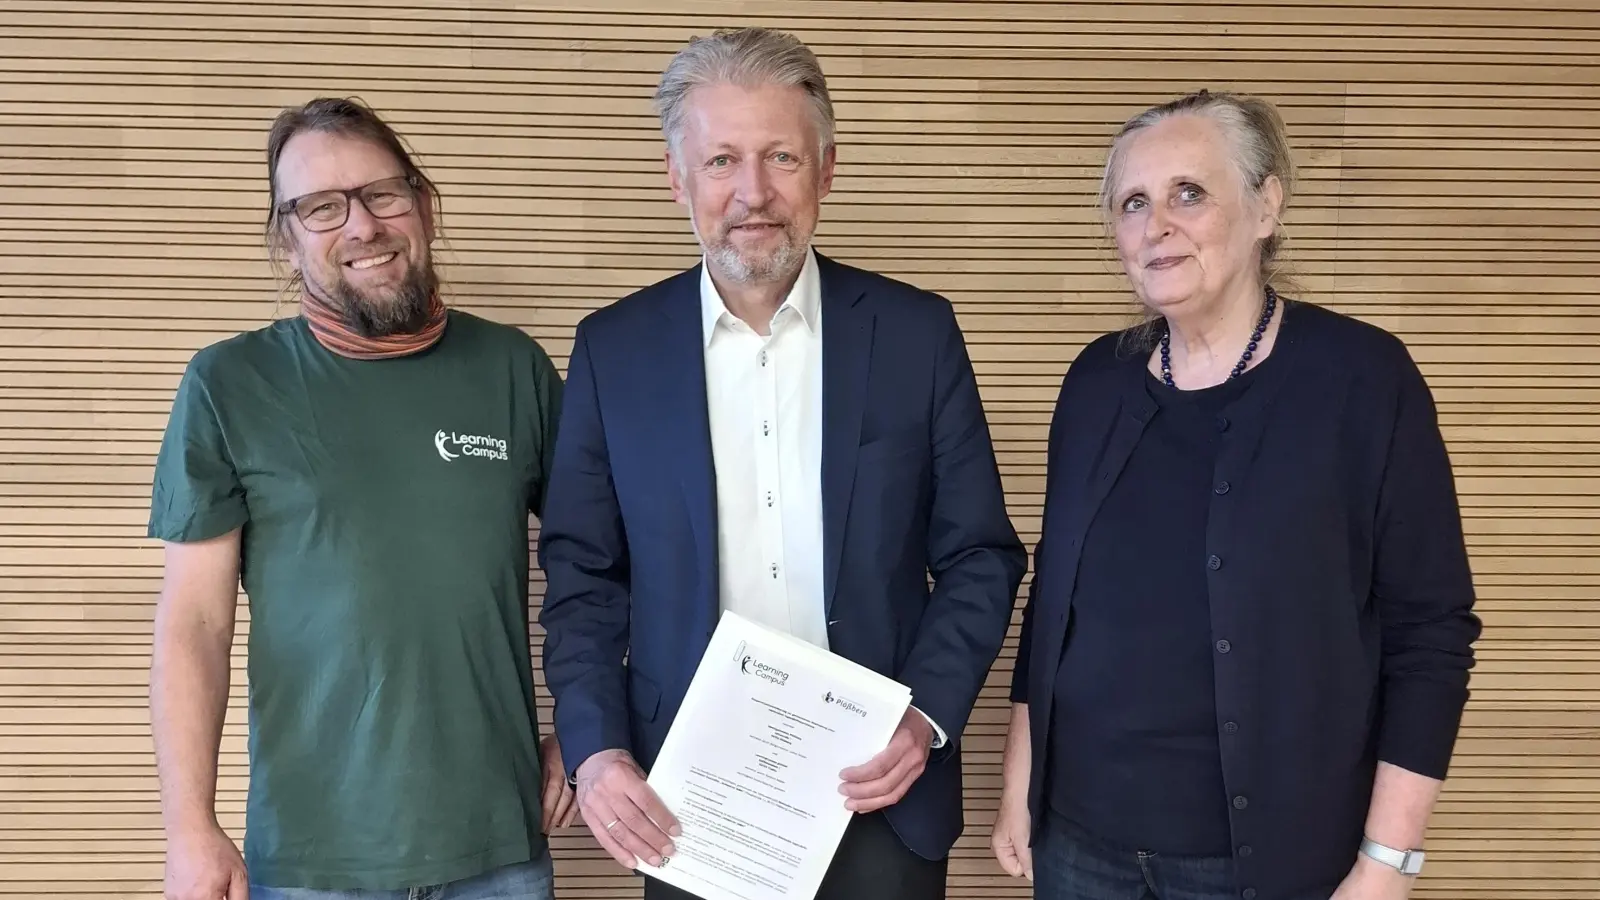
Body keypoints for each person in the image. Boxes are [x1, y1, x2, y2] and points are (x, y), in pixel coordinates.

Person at [536, 26, 1028, 900]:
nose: (753, 193)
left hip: (880, 786)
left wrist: (925, 717)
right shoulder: (614, 351)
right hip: (692, 798)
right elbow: (582, 577)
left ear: (826, 169)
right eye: (722, 160)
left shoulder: (916, 335)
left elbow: (980, 555)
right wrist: (597, 749)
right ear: (676, 176)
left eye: (781, 158)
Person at [988, 88, 1483, 900]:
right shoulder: (1094, 382)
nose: (1157, 225)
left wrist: (1388, 861)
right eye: (1134, 203)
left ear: (1265, 207)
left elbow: (1431, 631)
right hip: (1079, 843)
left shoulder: (1363, 380)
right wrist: (1020, 784)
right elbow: (1056, 605)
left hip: (1265, 859)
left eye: (1190, 193)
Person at [146, 97, 574, 900]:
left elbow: (599, 570)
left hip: (500, 850)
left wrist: (589, 732)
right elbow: (193, 623)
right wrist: (189, 830)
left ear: (425, 205)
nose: (362, 226)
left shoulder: (515, 369)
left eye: (383, 193)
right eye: (322, 207)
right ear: (287, 237)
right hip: (312, 860)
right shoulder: (227, 385)